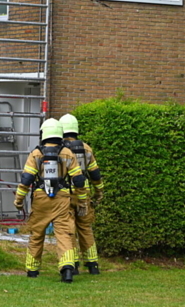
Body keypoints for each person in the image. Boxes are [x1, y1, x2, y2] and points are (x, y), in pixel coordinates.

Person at [13, 117, 88, 282]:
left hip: (41, 200)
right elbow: (78, 181)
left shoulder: (36, 153)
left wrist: (18, 200)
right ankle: (67, 269)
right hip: (62, 199)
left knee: (37, 234)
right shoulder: (67, 153)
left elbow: (26, 180)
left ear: (43, 134)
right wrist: (82, 202)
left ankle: (32, 270)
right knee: (64, 234)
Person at [60, 113, 105, 275]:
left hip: (66, 194)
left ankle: (73, 265)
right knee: (85, 228)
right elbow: (95, 174)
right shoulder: (86, 148)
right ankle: (93, 265)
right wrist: (99, 191)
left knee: (68, 229)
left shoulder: (60, 149)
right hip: (84, 194)